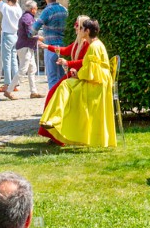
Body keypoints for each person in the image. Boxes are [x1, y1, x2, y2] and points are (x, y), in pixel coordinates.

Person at [40, 18, 117, 149]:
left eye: (81, 28)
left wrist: (77, 73)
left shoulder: (93, 46)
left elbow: (90, 71)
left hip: (96, 85)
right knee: (65, 85)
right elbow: (90, 68)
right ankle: (54, 121)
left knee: (65, 86)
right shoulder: (95, 44)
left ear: (87, 31)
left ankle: (56, 121)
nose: (78, 29)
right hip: (95, 81)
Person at [34, 0, 68, 89]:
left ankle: (53, 102)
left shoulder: (47, 11)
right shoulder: (64, 10)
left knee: (52, 77)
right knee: (62, 77)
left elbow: (35, 28)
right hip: (63, 47)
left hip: (50, 47)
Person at [0, 0, 23, 99]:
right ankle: (15, 83)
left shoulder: (6, 8)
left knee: (6, 60)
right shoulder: (18, 9)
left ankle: (7, 83)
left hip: (7, 34)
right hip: (15, 35)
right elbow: (15, 0)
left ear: (8, 1)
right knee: (14, 60)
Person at [15, 0, 41, 98]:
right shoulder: (27, 18)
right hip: (25, 47)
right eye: (36, 8)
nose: (37, 10)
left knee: (32, 69)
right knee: (23, 69)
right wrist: (40, 37)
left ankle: (33, 92)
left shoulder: (28, 17)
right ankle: (9, 89)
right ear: (32, 9)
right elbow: (30, 34)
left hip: (28, 46)